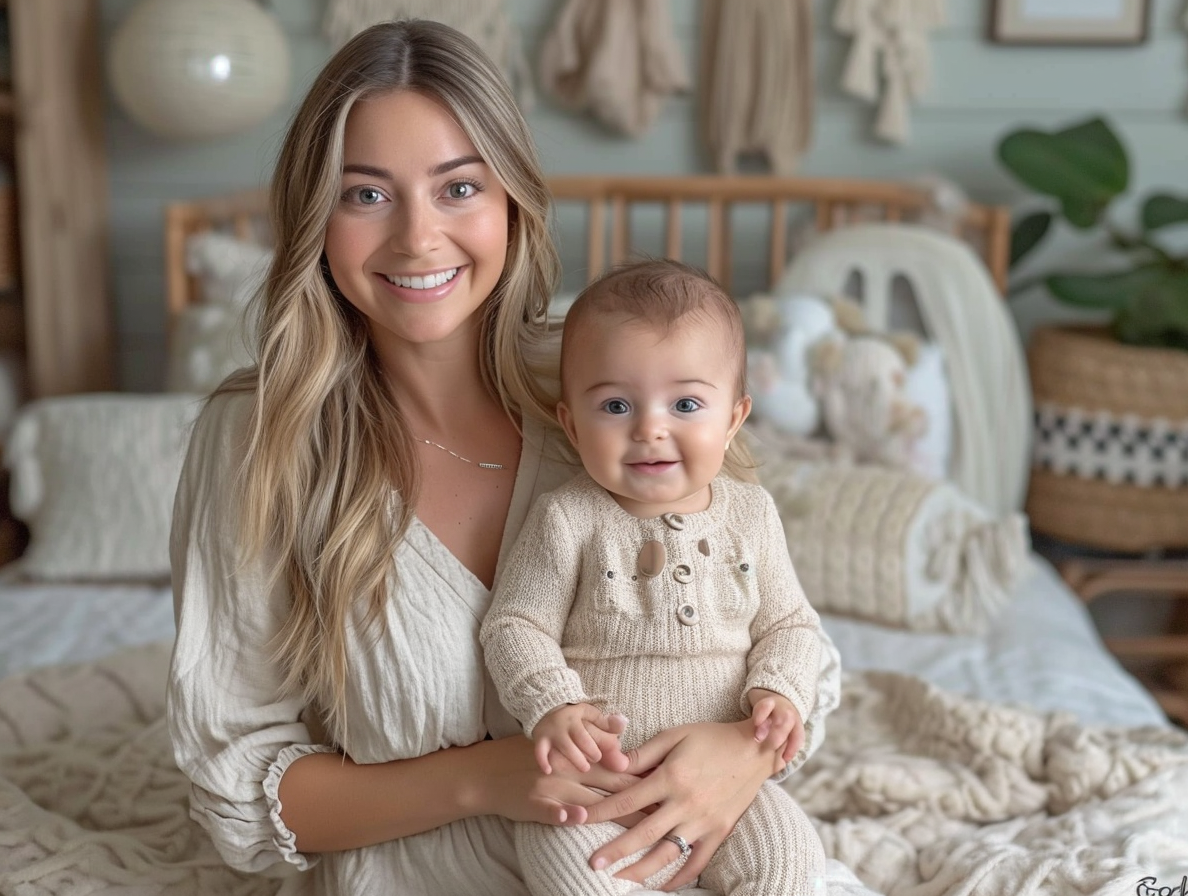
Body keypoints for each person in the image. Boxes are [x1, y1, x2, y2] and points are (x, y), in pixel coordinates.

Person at [166, 19, 841, 896]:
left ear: (512, 201)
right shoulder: (261, 441)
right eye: (365, 195)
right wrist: (487, 777)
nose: (417, 238)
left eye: (458, 189)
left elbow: (781, 637)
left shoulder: (614, 389)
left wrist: (736, 759)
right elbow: (243, 787)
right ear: (313, 217)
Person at [481, 259, 835, 895]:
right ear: (570, 423)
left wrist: (780, 694)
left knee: (790, 865)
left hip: (732, 784)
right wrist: (553, 702)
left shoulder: (750, 512)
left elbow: (789, 623)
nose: (650, 427)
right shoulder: (567, 517)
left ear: (733, 418)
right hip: (594, 784)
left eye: (687, 403)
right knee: (579, 879)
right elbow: (514, 623)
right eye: (616, 404)